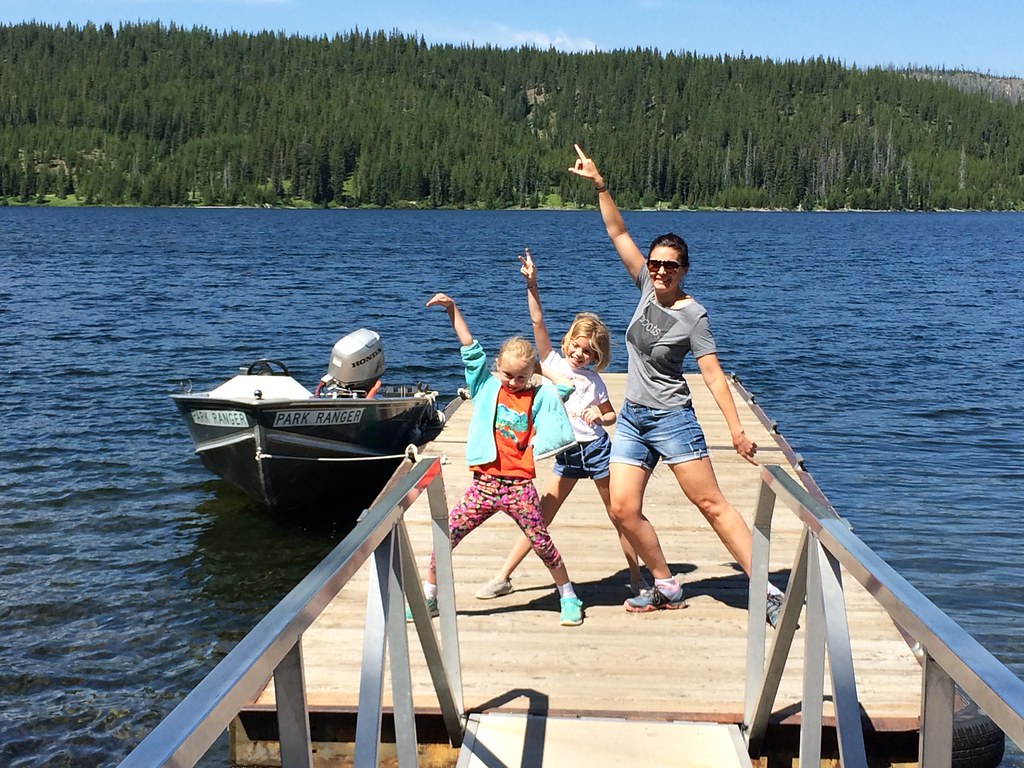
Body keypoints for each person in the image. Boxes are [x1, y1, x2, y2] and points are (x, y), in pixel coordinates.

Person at [567, 144, 785, 625]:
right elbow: (617, 231)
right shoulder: (645, 287)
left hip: (672, 419)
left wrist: (735, 429)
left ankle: (767, 589)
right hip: (632, 420)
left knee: (711, 503)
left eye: (670, 265)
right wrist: (600, 185)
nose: (660, 270)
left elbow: (712, 373)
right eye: (655, 263)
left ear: (684, 269)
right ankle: (665, 584)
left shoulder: (694, 315)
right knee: (623, 510)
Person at [475, 248, 646, 602]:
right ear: (568, 341)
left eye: (589, 352)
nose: (580, 354)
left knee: (619, 514)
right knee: (538, 516)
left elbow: (611, 414)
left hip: (597, 451)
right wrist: (532, 285)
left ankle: (636, 576)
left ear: (597, 357)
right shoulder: (551, 361)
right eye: (577, 346)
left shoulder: (594, 382)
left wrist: (602, 416)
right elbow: (538, 322)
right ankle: (504, 575)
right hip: (566, 453)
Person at [413, 292, 585, 627]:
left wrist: (540, 370)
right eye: (508, 374)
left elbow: (565, 386)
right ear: (497, 368)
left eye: (522, 377)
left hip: (520, 486)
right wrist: (453, 309)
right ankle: (429, 597)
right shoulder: (485, 387)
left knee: (541, 543)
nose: (514, 382)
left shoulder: (538, 396)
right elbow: (470, 349)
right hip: (484, 485)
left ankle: (568, 595)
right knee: (446, 537)